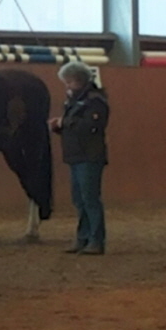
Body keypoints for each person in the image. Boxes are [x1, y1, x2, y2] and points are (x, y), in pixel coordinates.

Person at [49, 62, 109, 255]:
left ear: (78, 81)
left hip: (89, 156)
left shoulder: (95, 101)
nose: (67, 87)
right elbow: (76, 128)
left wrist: (64, 122)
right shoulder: (73, 102)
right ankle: (83, 237)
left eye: (69, 82)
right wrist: (59, 126)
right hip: (76, 156)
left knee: (90, 199)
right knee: (79, 200)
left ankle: (96, 240)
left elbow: (91, 126)